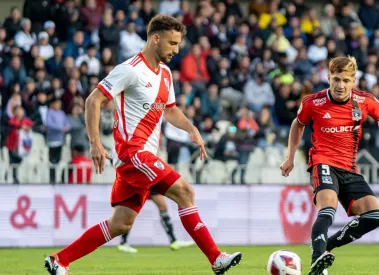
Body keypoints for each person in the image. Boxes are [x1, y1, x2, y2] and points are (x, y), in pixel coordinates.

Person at [44, 15, 242, 275]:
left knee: (120, 224)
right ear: (155, 38)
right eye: (172, 43)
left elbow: (169, 111)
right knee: (185, 192)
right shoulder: (130, 69)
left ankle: (59, 260)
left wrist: (191, 128)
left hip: (142, 156)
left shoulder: (167, 74)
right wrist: (95, 143)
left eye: (178, 44)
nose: (175, 50)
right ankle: (216, 258)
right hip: (133, 152)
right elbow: (93, 101)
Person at [280, 56, 379, 275]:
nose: (340, 85)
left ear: (353, 81)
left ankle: (325, 247)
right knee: (328, 208)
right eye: (336, 79)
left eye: (345, 80)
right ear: (328, 78)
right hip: (322, 162)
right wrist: (290, 157)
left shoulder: (365, 101)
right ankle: (317, 261)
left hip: (349, 168)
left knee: (375, 216)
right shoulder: (313, 103)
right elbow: (298, 124)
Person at [117, 193, 194, 253]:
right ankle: (123, 242)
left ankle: (174, 241)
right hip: (139, 182)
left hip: (151, 182)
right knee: (131, 211)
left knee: (163, 207)